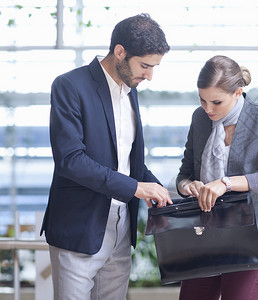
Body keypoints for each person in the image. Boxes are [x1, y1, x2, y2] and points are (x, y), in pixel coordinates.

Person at [40, 13, 172, 300]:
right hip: (80, 226)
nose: (149, 75)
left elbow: (128, 162)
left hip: (122, 226)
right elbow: (71, 160)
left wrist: (162, 190)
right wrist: (136, 188)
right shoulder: (69, 86)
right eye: (145, 66)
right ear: (120, 52)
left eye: (154, 67)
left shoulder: (130, 90)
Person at [176, 55, 258, 300]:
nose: (208, 109)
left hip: (249, 237)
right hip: (204, 236)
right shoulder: (200, 118)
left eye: (216, 102)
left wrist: (225, 183)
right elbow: (183, 175)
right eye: (202, 100)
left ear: (238, 93)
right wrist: (189, 186)